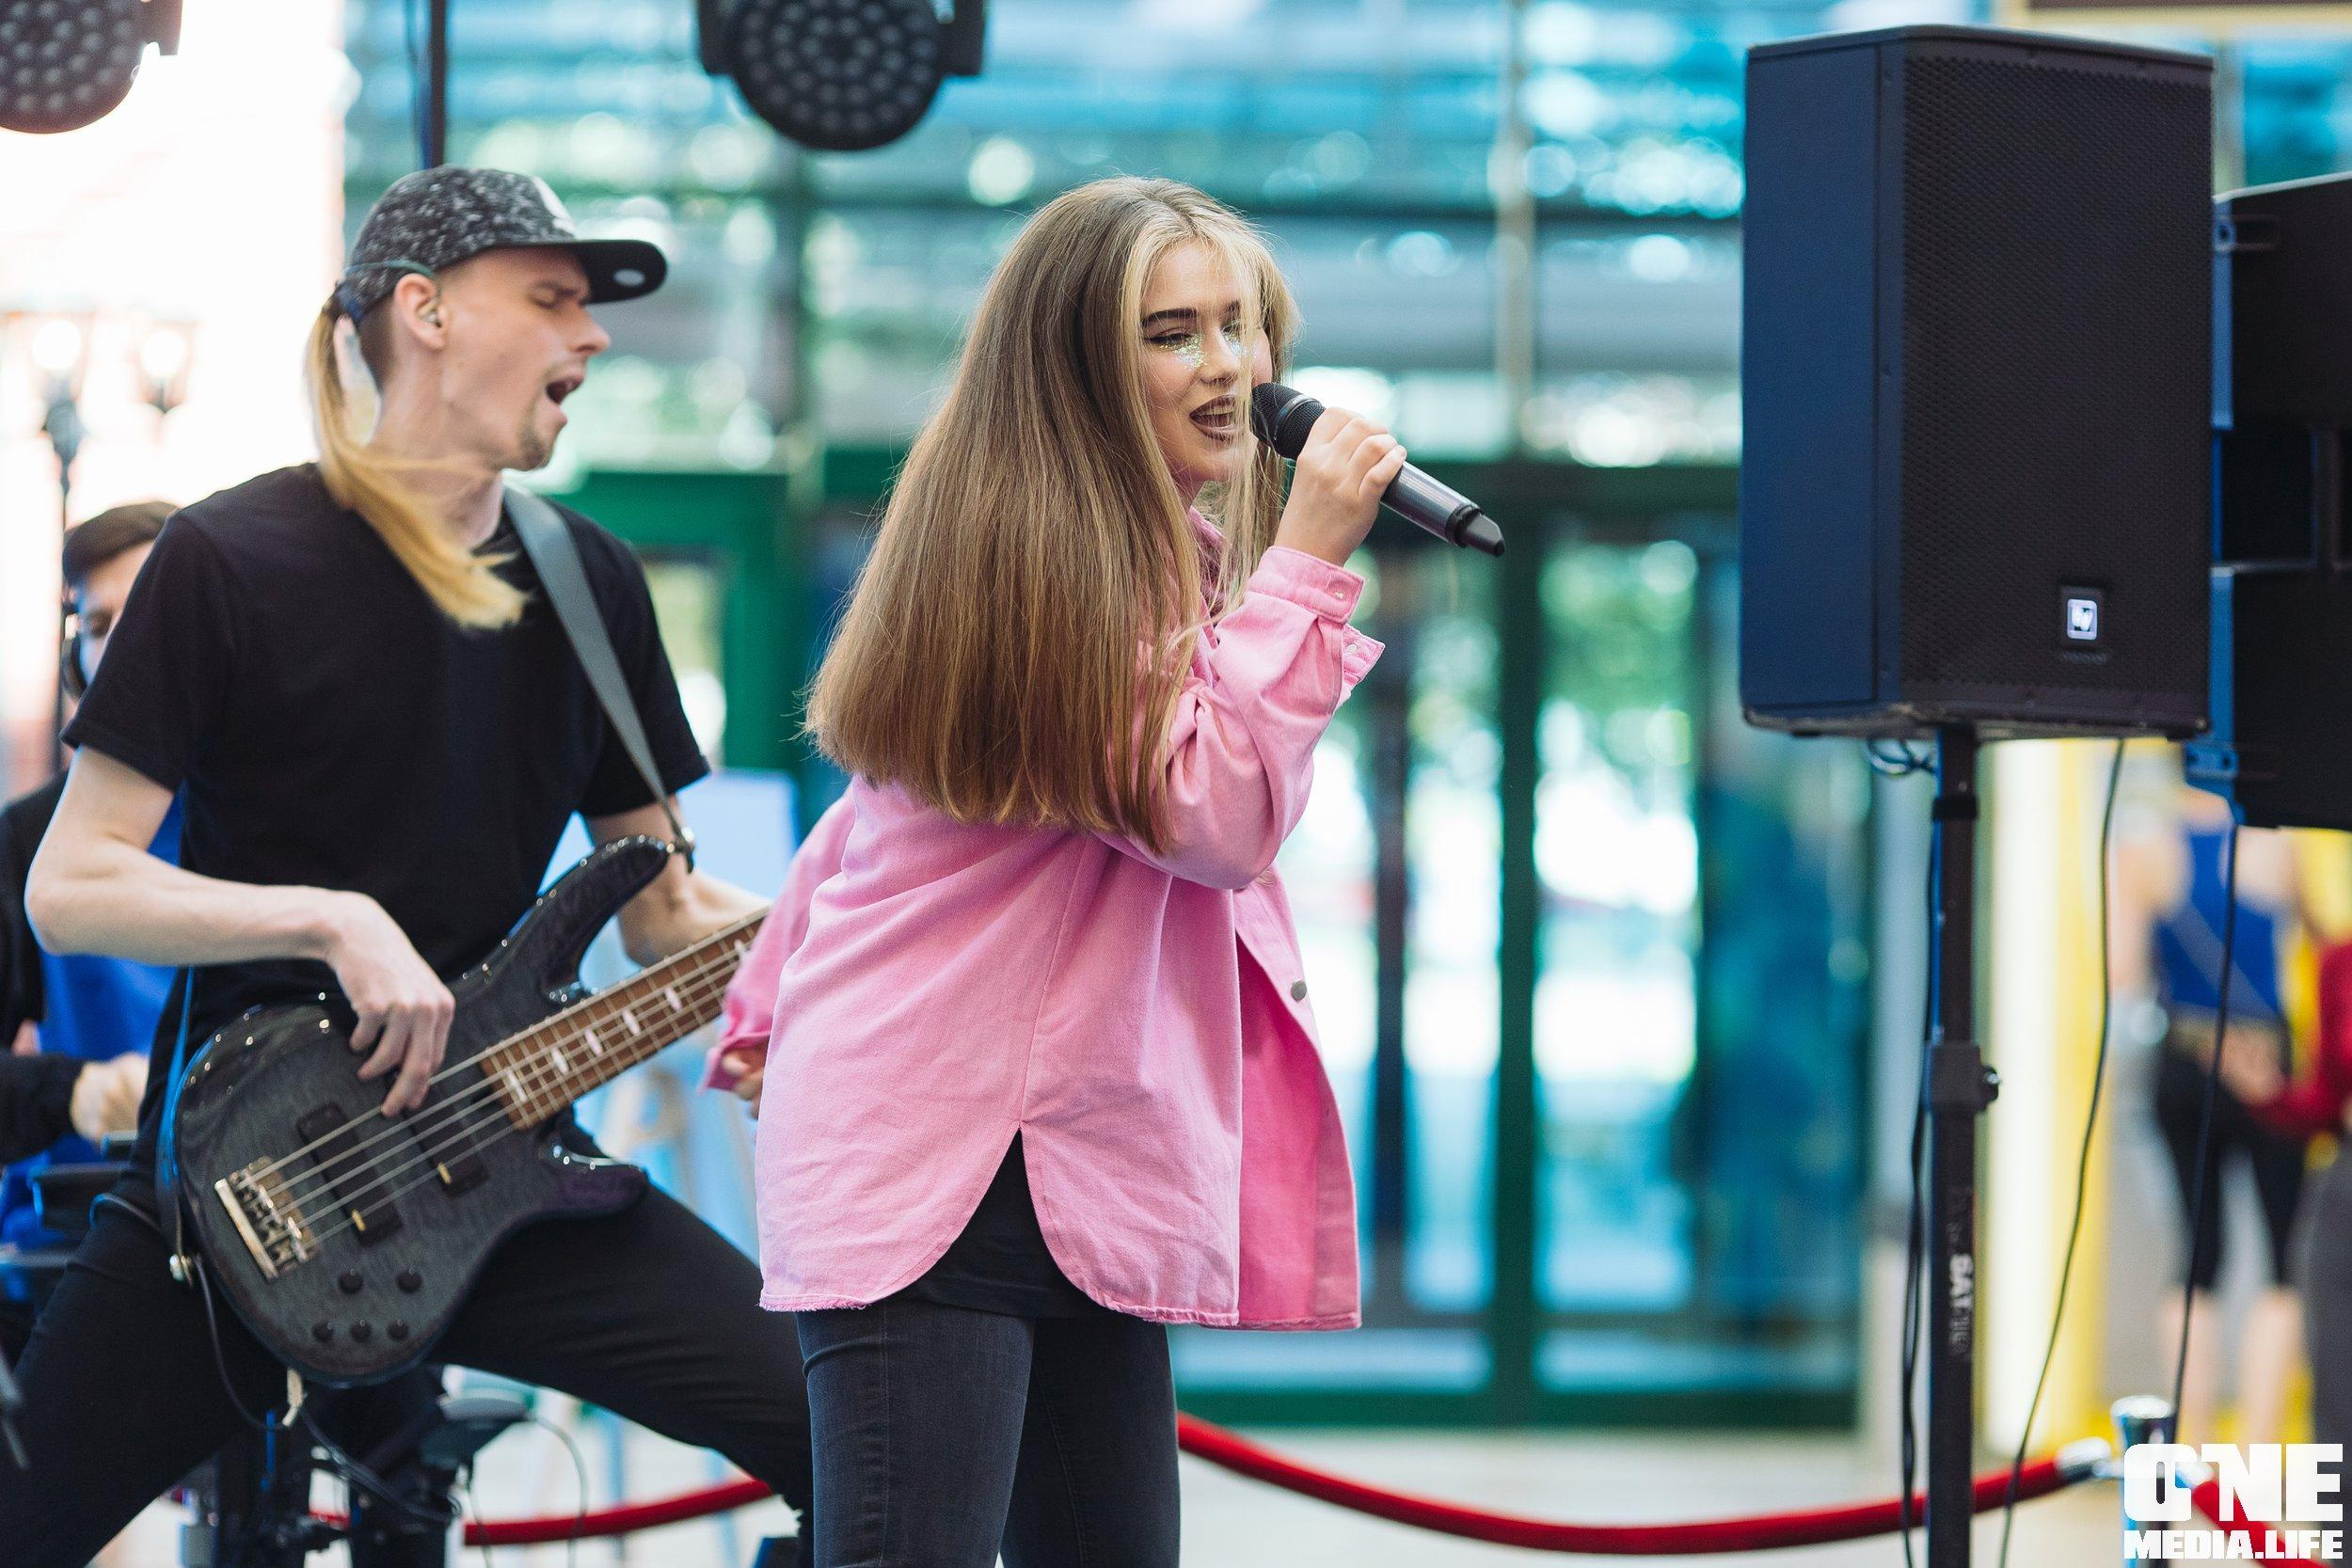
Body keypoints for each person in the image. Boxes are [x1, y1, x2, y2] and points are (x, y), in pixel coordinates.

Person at [3, 166, 814, 1566]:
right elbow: (71, 884)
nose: (596, 337)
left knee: (854, 1427)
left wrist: (850, 934)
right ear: (425, 313)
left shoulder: (589, 578)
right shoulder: (225, 557)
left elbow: (659, 910)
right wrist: (335, 921)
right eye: (554, 298)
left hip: (499, 1160)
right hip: (246, 1187)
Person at [716, 176, 1394, 1568]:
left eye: (1242, 324)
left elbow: (871, 822)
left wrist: (768, 998)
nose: (1231, 368)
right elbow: (1207, 813)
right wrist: (1311, 565)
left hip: (1073, 1153)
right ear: (1078, 366)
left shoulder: (1159, 556)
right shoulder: (1049, 557)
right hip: (944, 1159)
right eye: (1173, 333)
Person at [0, 504, 174, 1267]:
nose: (123, 650)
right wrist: (71, 1089)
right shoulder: (26, 837)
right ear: (78, 661)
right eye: (100, 626)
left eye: (150, 617)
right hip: (77, 1236)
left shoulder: (286, 821)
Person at [2116, 784, 2312, 1444]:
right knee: (2285, 1259)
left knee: (2196, 1256)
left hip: (2182, 1060)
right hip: (2268, 1065)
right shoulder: (2273, 840)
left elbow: (2124, 973)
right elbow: (2319, 939)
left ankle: (2188, 1451)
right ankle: (2258, 1449)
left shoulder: (2142, 848)